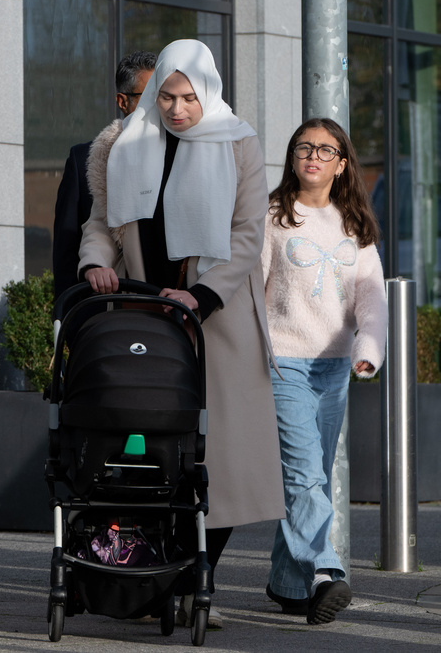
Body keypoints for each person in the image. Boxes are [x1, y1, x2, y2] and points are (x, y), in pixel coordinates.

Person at [77, 39, 285, 628]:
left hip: (217, 317)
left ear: (208, 92)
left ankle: (201, 580)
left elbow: (248, 236)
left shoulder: (239, 142)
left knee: (222, 461)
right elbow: (100, 221)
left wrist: (202, 293)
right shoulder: (124, 144)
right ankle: (156, 575)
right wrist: (94, 262)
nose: (175, 108)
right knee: (157, 455)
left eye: (187, 97)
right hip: (146, 316)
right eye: (166, 96)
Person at [262, 118, 386, 625]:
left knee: (305, 480)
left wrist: (369, 351)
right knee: (305, 475)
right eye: (303, 148)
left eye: (324, 150)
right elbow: (252, 289)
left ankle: (287, 584)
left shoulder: (354, 226)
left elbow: (372, 300)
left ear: (341, 164)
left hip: (334, 370)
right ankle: (326, 572)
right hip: (283, 363)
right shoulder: (273, 217)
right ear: (292, 158)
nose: (312, 156)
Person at [52, 51, 155, 300]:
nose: (161, 106)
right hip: (105, 307)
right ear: (123, 102)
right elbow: (67, 246)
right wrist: (72, 317)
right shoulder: (83, 159)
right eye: (149, 97)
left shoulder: (182, 155)